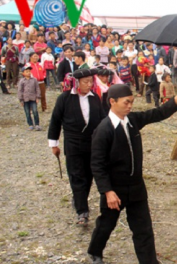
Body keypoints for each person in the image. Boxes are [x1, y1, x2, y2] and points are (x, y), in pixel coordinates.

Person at [87, 83, 177, 264]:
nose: (130, 106)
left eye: (132, 102)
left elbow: (156, 114)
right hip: (115, 189)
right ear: (112, 102)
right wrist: (107, 191)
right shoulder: (103, 130)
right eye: (126, 102)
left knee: (143, 229)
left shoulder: (132, 120)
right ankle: (95, 251)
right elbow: (97, 165)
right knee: (106, 225)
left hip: (136, 187)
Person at [48, 68, 105, 227]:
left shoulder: (95, 99)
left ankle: (79, 199)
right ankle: (82, 212)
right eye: (85, 82)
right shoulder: (64, 99)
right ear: (76, 82)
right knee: (76, 176)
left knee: (88, 176)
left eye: (90, 82)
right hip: (73, 144)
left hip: (92, 144)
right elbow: (55, 121)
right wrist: (54, 144)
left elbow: (102, 120)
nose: (89, 84)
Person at [18, 63, 41, 131]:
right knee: (27, 112)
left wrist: (38, 97)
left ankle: (37, 124)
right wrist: (21, 100)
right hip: (25, 99)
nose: (28, 73)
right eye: (26, 71)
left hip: (33, 98)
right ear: (23, 73)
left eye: (29, 71)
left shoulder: (34, 80)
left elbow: (37, 88)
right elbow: (20, 91)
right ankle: (30, 124)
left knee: (35, 111)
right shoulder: (22, 81)